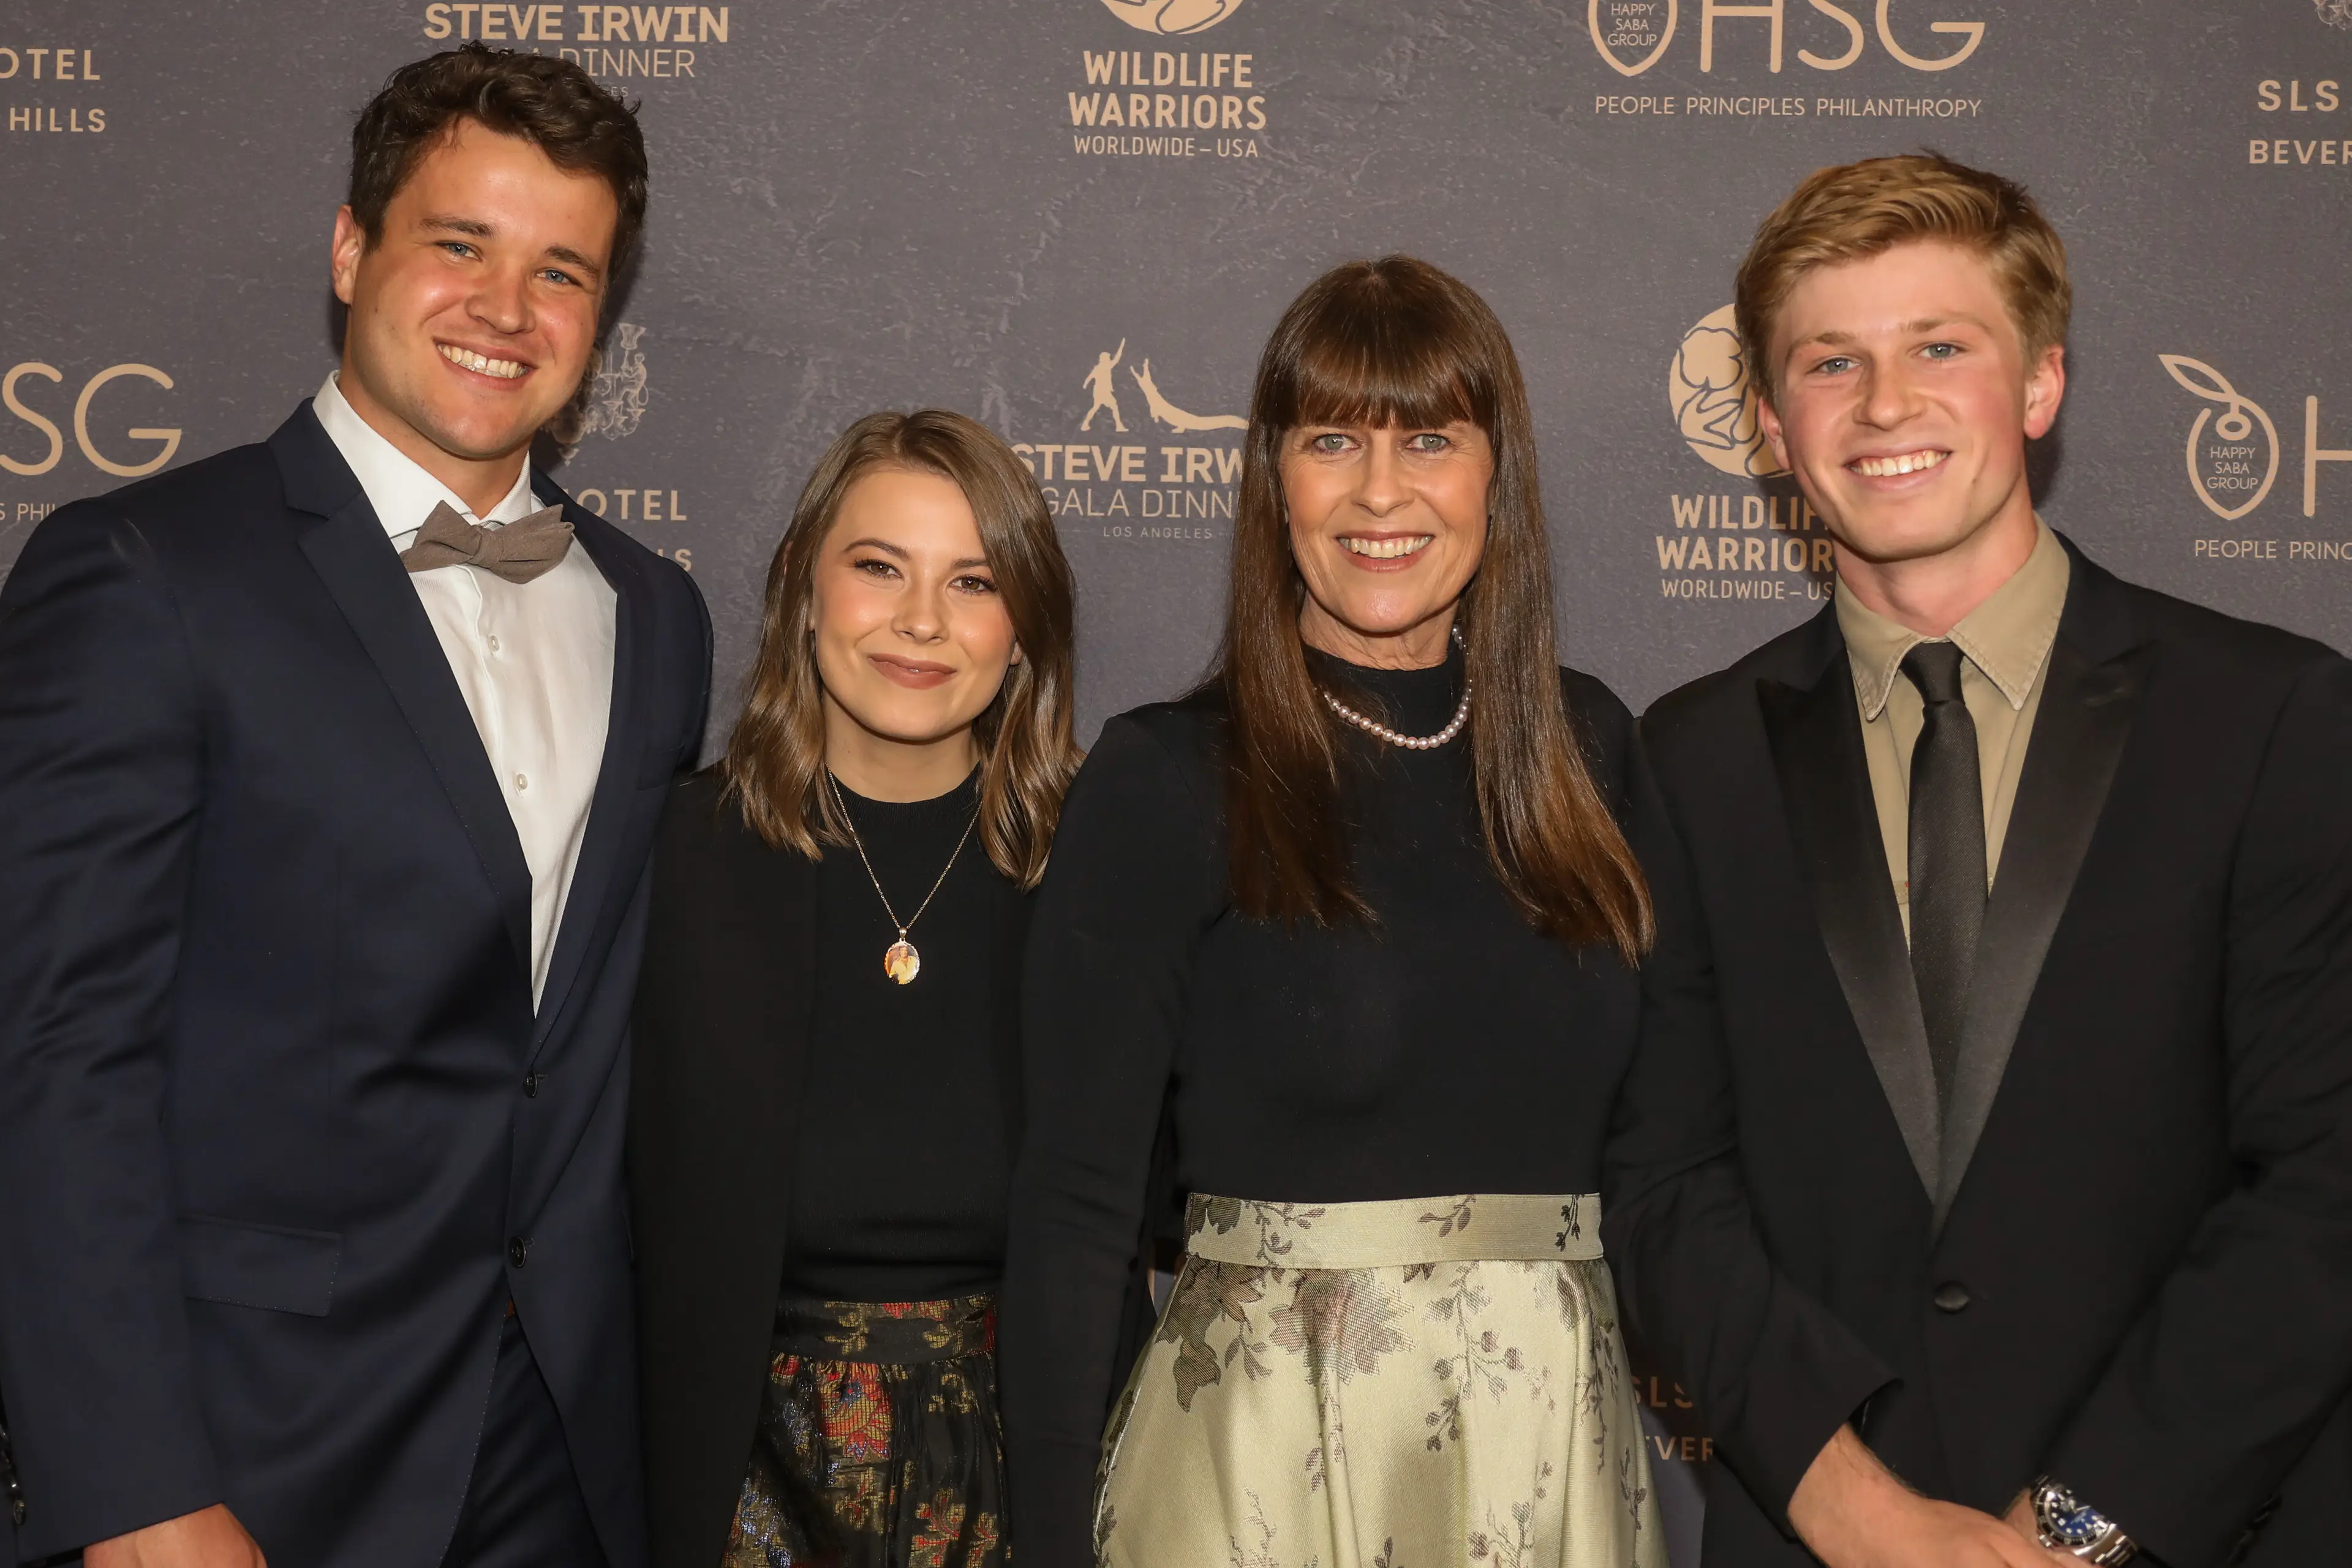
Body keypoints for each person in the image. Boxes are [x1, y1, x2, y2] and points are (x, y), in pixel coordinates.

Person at [0, 45, 709, 1568]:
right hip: (249, 1448)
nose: (505, 309)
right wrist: (128, 1483)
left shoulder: (656, 616)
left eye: (562, 271)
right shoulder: (145, 575)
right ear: (349, 250)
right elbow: (54, 1056)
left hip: (566, 1455)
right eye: (460, 244)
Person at [1607, 153, 2352, 1568]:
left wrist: (2079, 1524)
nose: (1886, 403)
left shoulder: (2270, 716)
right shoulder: (1691, 757)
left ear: (2040, 385)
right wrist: (1859, 1511)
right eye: (1833, 362)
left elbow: (2328, 1180)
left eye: (1939, 346)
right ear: (1769, 424)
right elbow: (1665, 1187)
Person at [1001, 256, 1670, 1568]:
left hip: (1552, 1466)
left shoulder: (1592, 752)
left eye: (1430, 437)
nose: (1381, 492)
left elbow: (1673, 1158)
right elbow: (1076, 1208)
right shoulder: (1164, 778)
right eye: (1331, 441)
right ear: (1273, 480)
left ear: (1495, 474)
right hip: (1257, 1468)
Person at [630, 410, 1081, 1568]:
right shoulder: (673, 852)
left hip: (1036, 1470)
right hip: (725, 1469)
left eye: (975, 582)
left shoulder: (1098, 868)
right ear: (800, 583)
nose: (922, 622)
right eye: (879, 567)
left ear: (1025, 625)